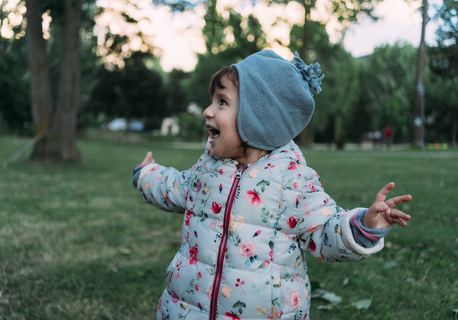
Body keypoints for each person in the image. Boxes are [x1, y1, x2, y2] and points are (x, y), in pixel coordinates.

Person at [132, 50, 412, 320]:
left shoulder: (294, 182)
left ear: (257, 120)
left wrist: (364, 225)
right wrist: (147, 173)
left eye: (222, 102)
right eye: (212, 101)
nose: (207, 111)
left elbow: (326, 232)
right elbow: (173, 187)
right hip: (187, 309)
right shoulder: (206, 169)